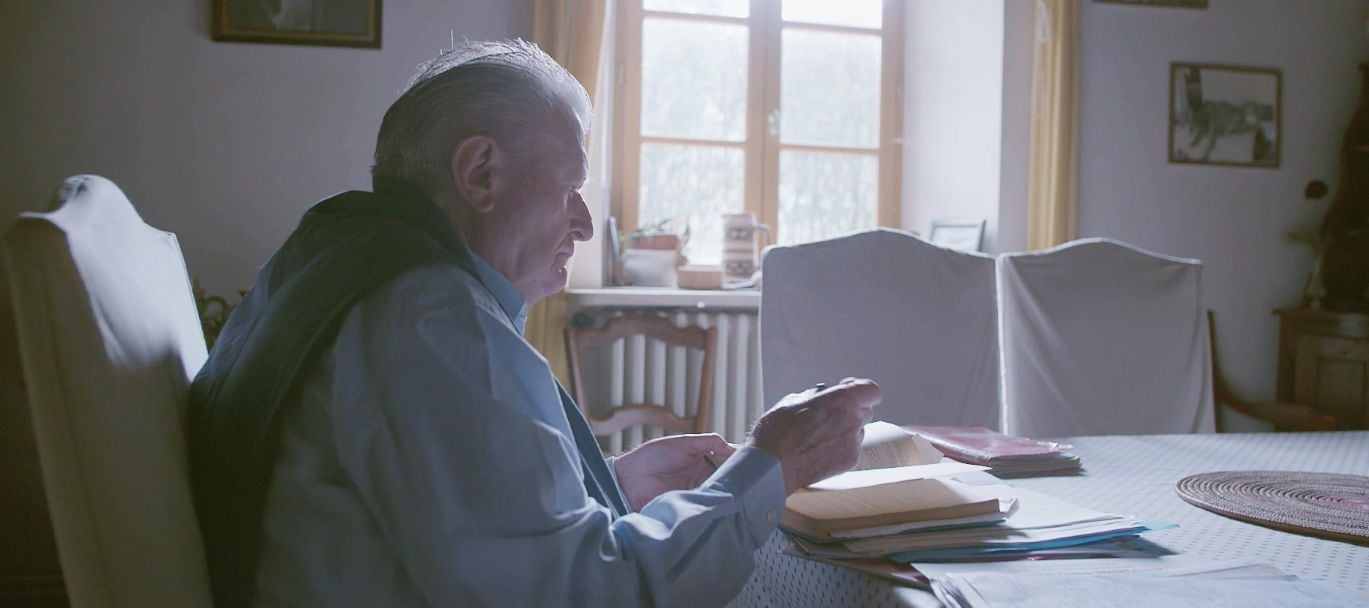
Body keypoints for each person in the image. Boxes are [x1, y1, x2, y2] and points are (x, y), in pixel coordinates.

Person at [187, 39, 880, 608]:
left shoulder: (333, 257)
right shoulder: (426, 315)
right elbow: (588, 596)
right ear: (480, 171)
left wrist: (610, 480)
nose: (580, 223)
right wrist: (769, 465)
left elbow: (432, 503)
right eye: (569, 187)